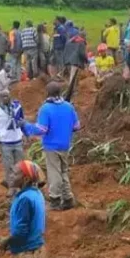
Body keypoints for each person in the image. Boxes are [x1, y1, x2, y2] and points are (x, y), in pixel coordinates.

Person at [31, 81, 80, 210]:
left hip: (52, 145)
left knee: (54, 172)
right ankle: (68, 198)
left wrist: (27, 126)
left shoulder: (46, 108)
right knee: (64, 171)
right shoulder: (69, 106)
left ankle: (55, 199)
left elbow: (41, 129)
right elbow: (76, 126)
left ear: (47, 93)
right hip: (65, 144)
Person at [0, 92, 25, 193]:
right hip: (5, 142)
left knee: (19, 166)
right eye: (3, 96)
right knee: (8, 166)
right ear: (0, 98)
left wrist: (25, 135)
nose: (5, 98)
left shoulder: (17, 107)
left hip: (18, 140)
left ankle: (19, 186)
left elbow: (22, 121)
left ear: (10, 96)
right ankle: (11, 187)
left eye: (7, 96)